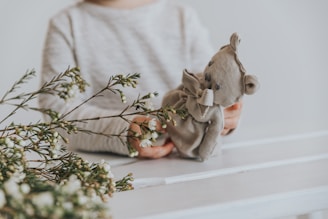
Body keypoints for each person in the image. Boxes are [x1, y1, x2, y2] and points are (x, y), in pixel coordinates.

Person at [39, 0, 242, 159]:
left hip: (193, 162)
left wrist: (226, 113)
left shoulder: (182, 18)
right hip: (107, 169)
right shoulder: (66, 25)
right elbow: (58, 114)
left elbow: (213, 84)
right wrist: (122, 132)